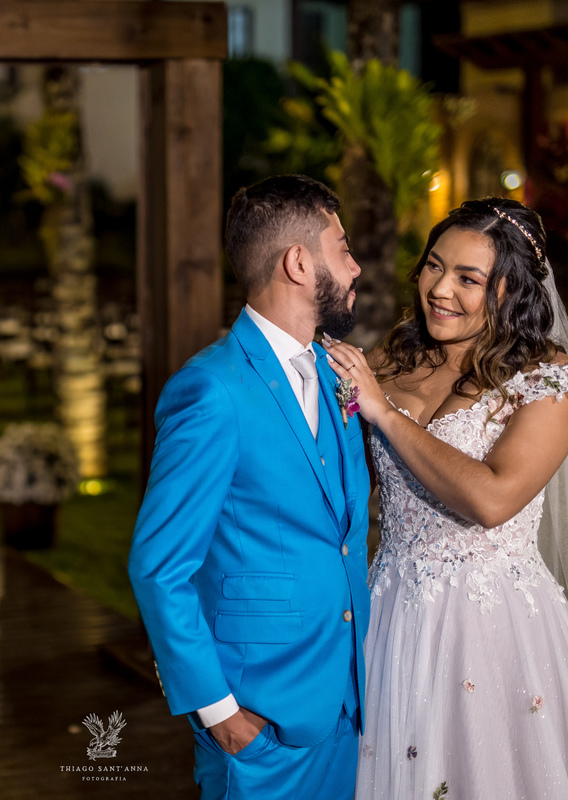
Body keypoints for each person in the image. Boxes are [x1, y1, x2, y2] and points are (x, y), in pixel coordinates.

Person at [321, 197, 568, 799]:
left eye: (468, 278)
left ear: (511, 292)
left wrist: (384, 414)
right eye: (434, 265)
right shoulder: (392, 359)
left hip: (492, 625)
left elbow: (493, 498)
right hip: (389, 612)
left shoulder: (549, 380)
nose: (440, 289)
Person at [128, 174, 371, 799]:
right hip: (261, 724)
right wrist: (220, 714)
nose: (355, 267)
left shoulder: (337, 371)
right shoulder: (211, 390)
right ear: (299, 263)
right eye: (343, 249)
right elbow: (159, 566)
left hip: (348, 704)